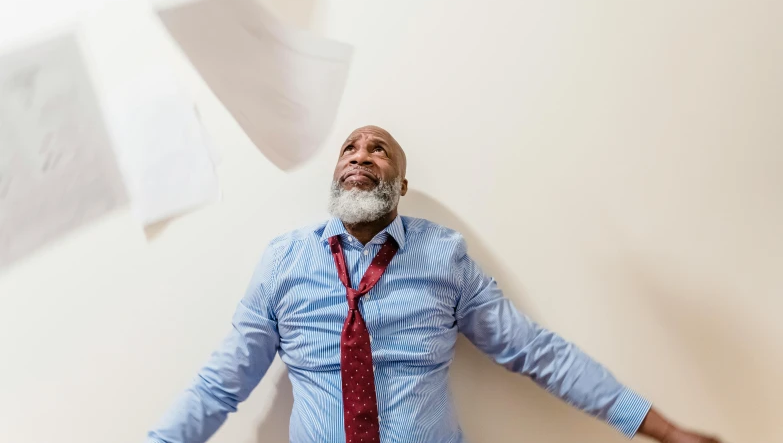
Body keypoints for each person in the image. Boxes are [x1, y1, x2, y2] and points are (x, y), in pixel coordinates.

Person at [147, 126, 722, 443]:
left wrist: (663, 430)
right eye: (349, 147)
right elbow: (220, 385)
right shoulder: (283, 262)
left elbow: (534, 350)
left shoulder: (444, 256)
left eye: (379, 149)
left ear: (400, 185)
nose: (360, 155)